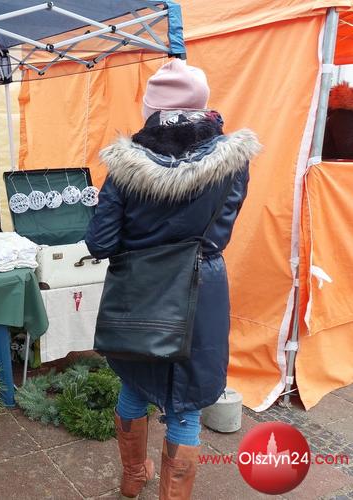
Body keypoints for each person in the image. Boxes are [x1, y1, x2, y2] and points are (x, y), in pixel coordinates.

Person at [85, 59, 261, 499]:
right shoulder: (233, 162)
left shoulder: (124, 165)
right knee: (185, 403)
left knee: (134, 383)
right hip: (200, 292)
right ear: (202, 105)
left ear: (151, 109)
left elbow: (100, 242)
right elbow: (219, 234)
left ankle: (132, 478)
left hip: (139, 293)